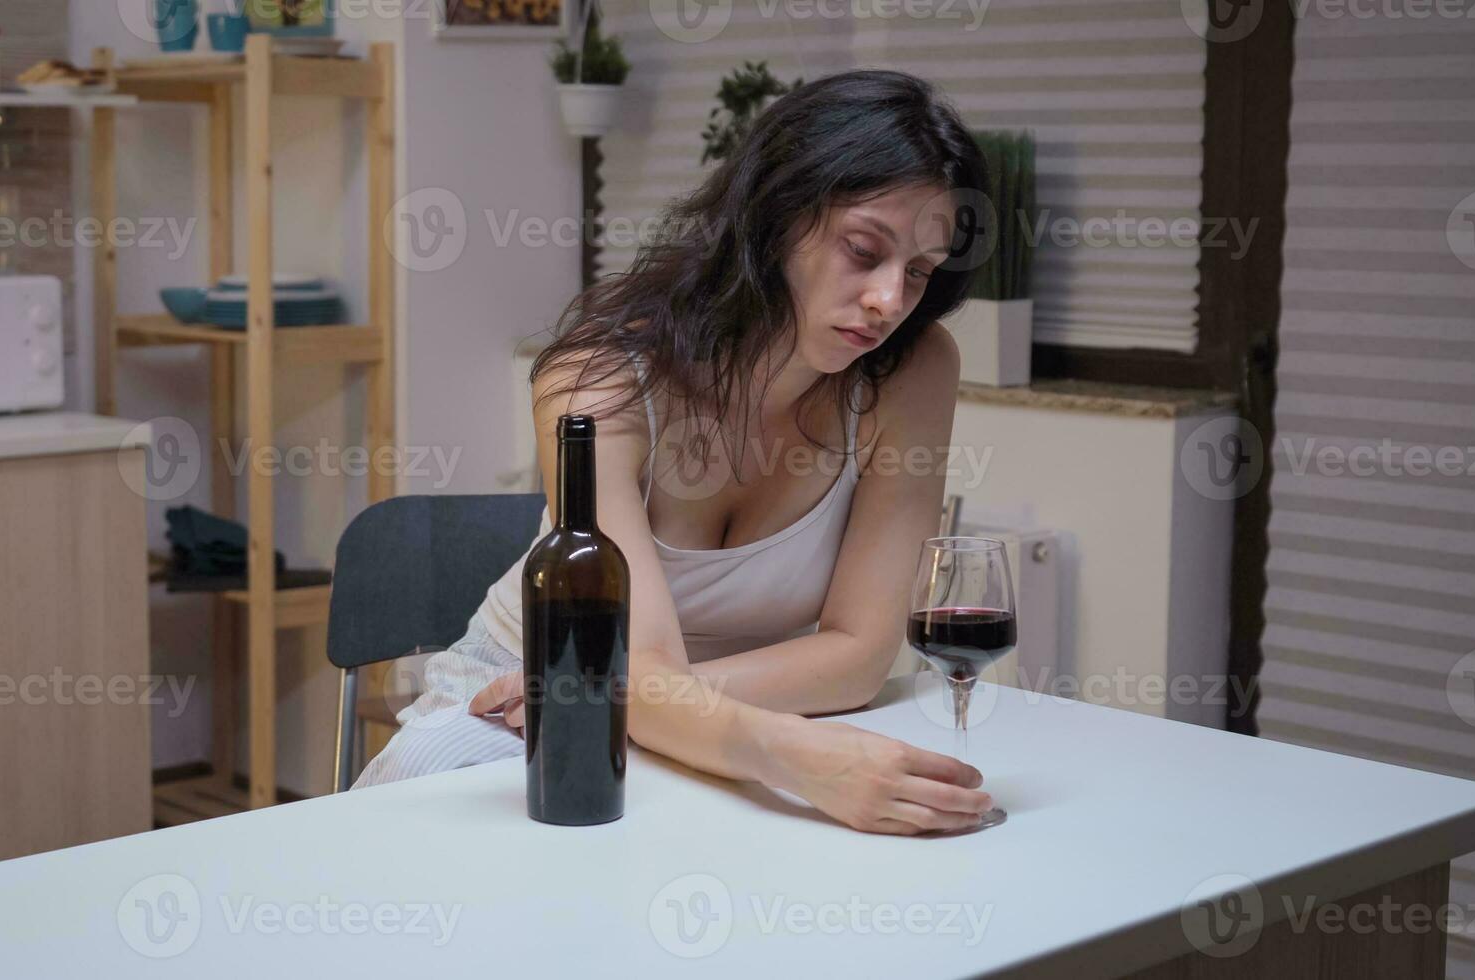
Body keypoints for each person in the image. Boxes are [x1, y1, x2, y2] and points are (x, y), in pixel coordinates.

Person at [354, 68, 997, 835]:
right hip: (517, 701)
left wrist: (614, 693)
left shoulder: (914, 373)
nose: (890, 300)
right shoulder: (596, 379)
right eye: (865, 250)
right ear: (778, 217)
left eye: (919, 273)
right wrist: (781, 751)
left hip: (682, 709)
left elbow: (858, 657)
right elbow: (642, 671)